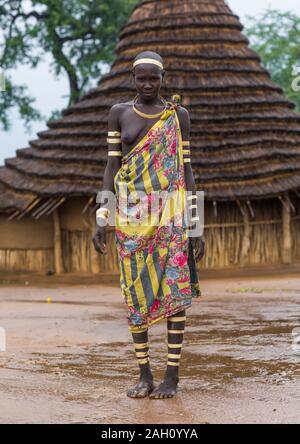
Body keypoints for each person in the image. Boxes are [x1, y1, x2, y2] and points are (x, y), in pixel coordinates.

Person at [93, 51, 205, 399]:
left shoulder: (178, 116)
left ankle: (172, 376)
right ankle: (145, 375)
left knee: (175, 292)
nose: (146, 84)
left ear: (162, 78)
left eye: (152, 78)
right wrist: (102, 216)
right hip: (131, 217)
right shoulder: (119, 114)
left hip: (171, 215)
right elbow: (112, 167)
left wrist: (196, 224)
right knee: (134, 293)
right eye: (141, 78)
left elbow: (186, 170)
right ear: (132, 78)